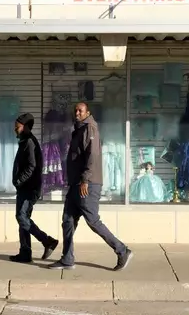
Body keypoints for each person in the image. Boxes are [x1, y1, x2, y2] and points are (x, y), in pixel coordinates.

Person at [48, 102, 133, 271]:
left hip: (87, 184)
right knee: (68, 221)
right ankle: (67, 259)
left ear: (88, 112)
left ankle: (122, 250)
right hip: (76, 184)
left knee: (93, 220)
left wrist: (85, 179)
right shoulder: (79, 129)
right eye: (76, 110)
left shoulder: (90, 128)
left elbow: (92, 155)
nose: (77, 113)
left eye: (80, 110)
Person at [11, 113, 59, 263]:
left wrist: (19, 180)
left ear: (24, 127)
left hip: (29, 188)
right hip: (25, 188)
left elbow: (32, 165)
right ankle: (25, 252)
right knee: (23, 218)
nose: (15, 129)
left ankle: (47, 241)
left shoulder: (29, 142)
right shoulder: (25, 141)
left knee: (21, 216)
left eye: (17, 127)